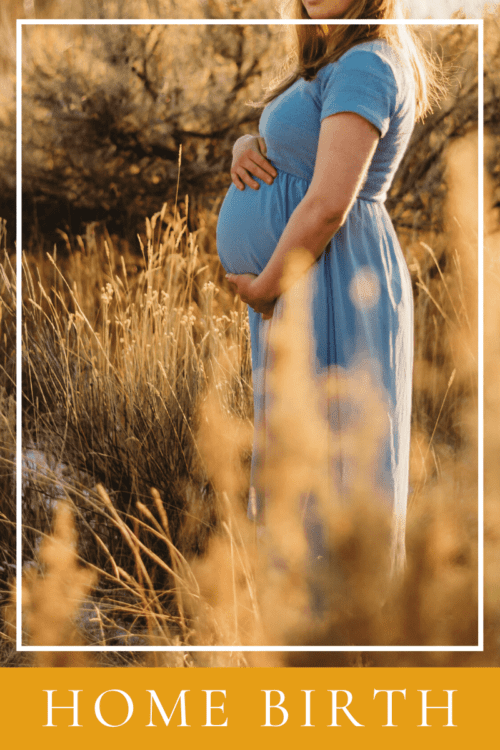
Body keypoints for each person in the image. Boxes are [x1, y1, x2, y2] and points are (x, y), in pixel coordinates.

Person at [216, 0, 444, 589]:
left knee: (338, 457)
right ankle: (300, 631)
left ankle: (340, 638)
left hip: (331, 273)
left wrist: (266, 286)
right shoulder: (330, 63)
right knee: (302, 451)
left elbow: (327, 204)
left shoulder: (367, 63)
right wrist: (248, 141)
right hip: (304, 275)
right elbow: (301, 148)